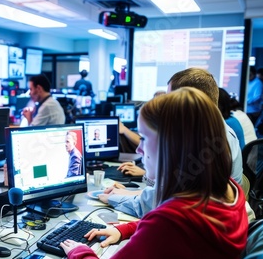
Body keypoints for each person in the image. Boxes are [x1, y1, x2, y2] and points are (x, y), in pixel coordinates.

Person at [60, 87, 248, 259]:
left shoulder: (172, 220)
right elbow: (181, 233)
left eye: (145, 138)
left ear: (172, 146)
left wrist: (78, 251)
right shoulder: (230, 191)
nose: (138, 150)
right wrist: (126, 229)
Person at [101, 68, 243, 218]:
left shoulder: (205, 143)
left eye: (170, 100)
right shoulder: (216, 131)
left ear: (187, 101)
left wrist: (112, 198)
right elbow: (170, 192)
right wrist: (133, 193)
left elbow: (154, 205)